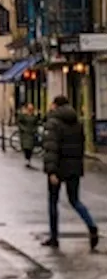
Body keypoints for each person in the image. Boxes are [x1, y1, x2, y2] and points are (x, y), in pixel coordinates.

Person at [41, 96, 100, 250]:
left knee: (53, 202)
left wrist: (51, 171)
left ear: (55, 105)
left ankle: (54, 237)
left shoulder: (53, 123)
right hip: (74, 166)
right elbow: (81, 145)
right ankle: (91, 225)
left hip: (58, 167)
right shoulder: (77, 123)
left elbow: (51, 149)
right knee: (75, 200)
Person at [16, 102, 41, 168]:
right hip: (25, 134)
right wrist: (23, 128)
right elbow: (19, 122)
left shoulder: (34, 116)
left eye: (31, 108)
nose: (30, 109)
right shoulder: (23, 115)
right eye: (29, 108)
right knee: (26, 147)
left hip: (31, 133)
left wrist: (35, 129)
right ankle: (27, 159)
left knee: (30, 147)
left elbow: (37, 123)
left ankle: (28, 159)